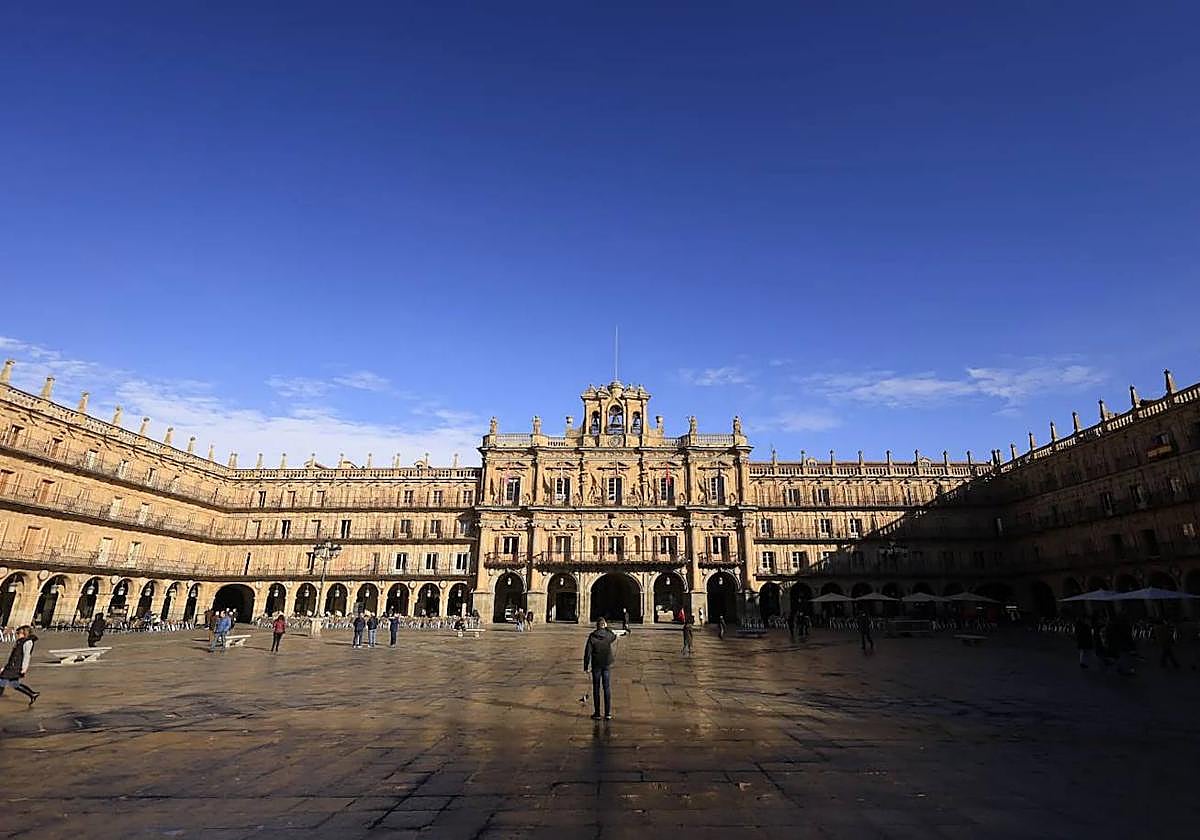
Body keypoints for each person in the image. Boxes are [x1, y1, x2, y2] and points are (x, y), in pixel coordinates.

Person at [583, 617, 618, 720]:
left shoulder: (592, 636)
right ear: (604, 625)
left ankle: (597, 713)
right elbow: (614, 635)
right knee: (606, 688)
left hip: (596, 665)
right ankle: (607, 713)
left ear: (597, 626)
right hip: (606, 664)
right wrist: (607, 628)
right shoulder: (608, 635)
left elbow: (587, 652)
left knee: (596, 688)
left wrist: (586, 666)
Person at [0, 625, 40, 706]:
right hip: (12, 666)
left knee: (2, 681)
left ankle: (32, 694)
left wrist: (24, 668)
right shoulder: (20, 642)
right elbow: (13, 657)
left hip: (16, 667)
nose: (17, 634)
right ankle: (32, 694)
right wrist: (5, 667)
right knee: (14, 684)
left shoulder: (27, 642)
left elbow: (27, 656)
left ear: (24, 633)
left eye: (18, 633)